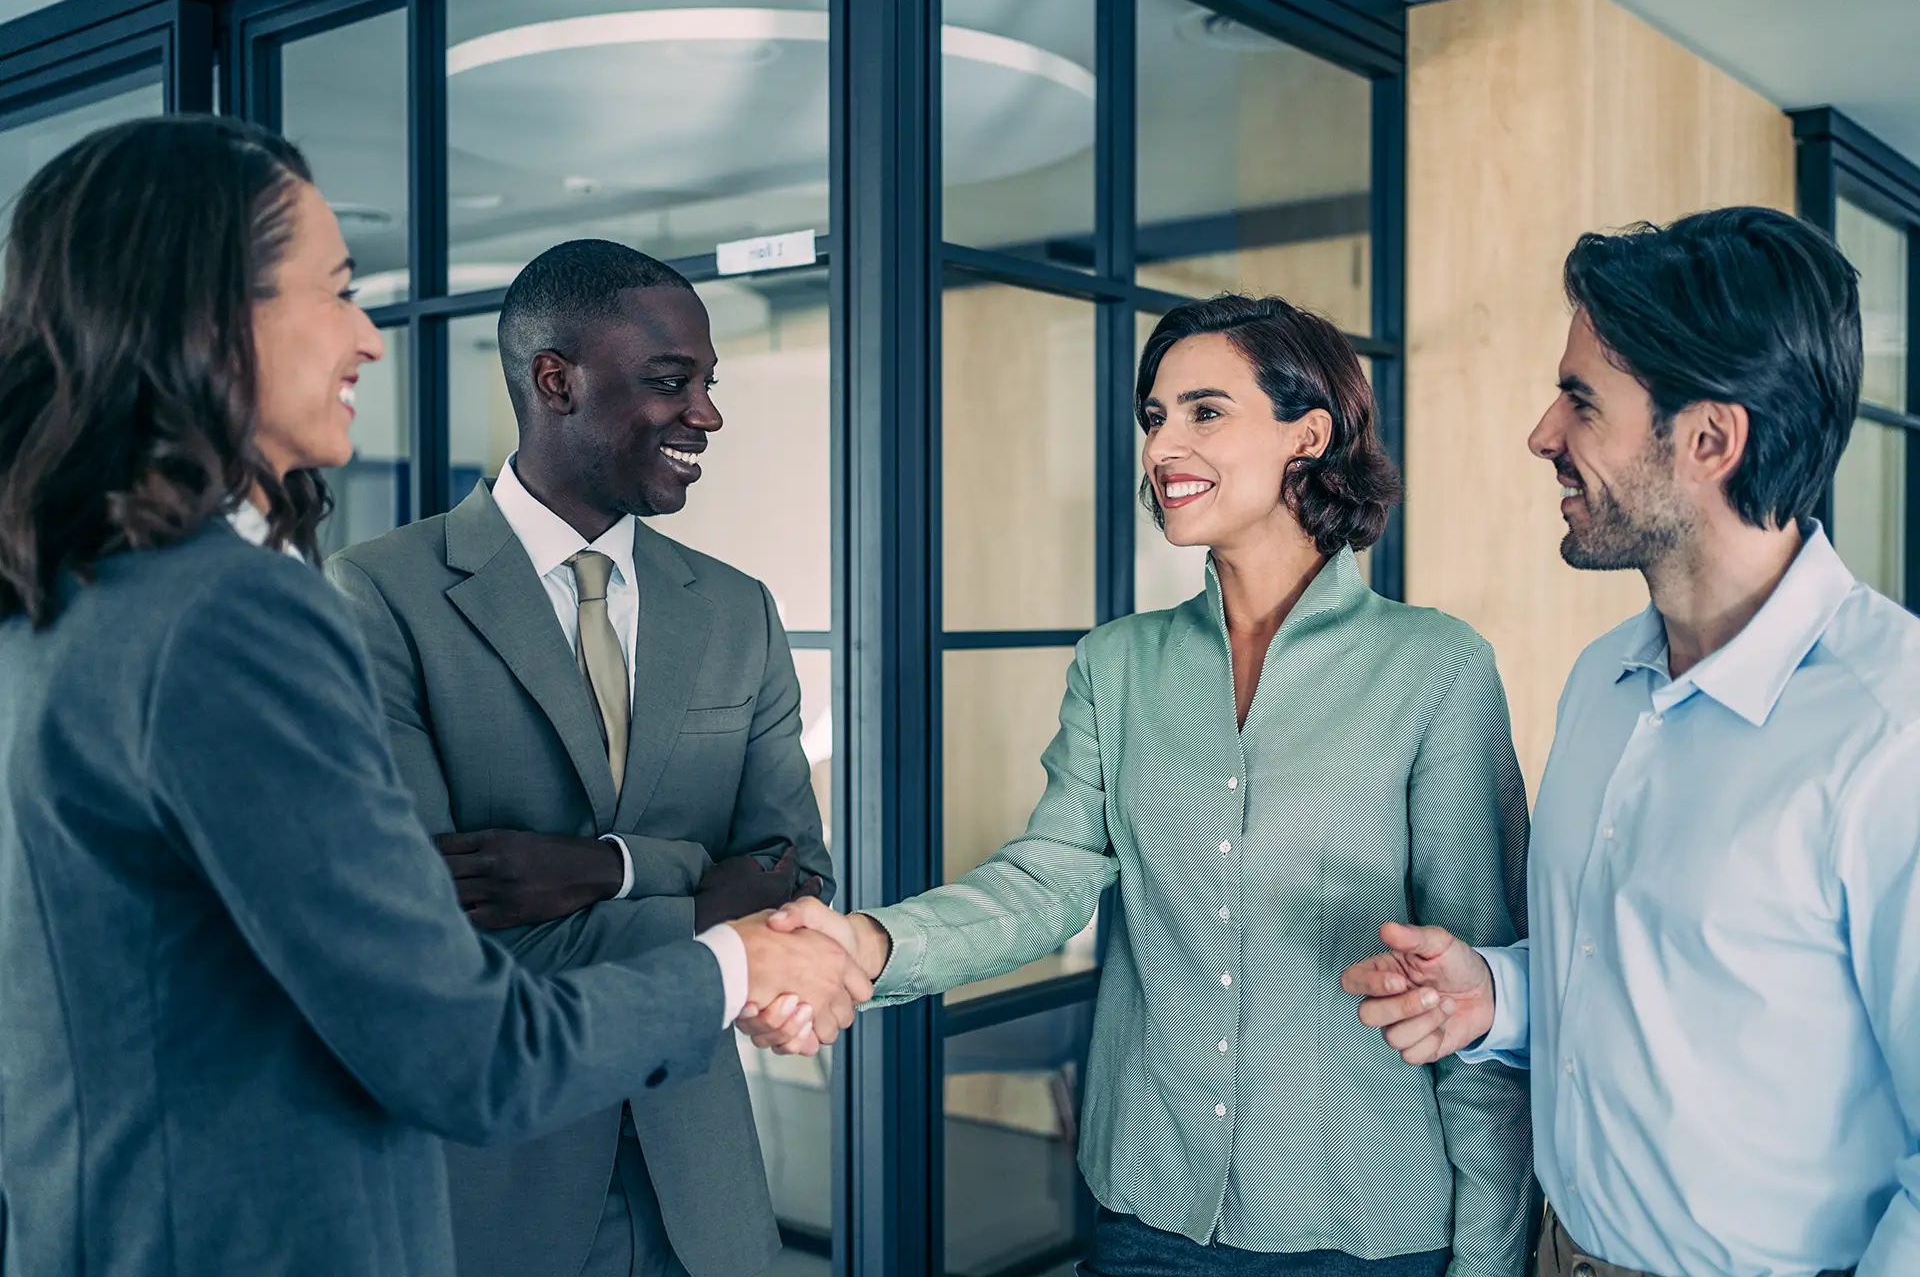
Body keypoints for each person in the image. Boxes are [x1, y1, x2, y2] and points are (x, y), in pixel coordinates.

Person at [0, 115, 862, 1277]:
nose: (369, 333)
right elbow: (460, 1032)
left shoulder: (70, 597)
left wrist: (598, 869)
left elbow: (780, 859)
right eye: (338, 290)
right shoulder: (239, 611)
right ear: (211, 316)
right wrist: (743, 955)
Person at [768, 294, 1535, 1276]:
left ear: (1311, 431)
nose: (1164, 442)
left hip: (1366, 1219)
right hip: (1150, 1212)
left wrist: (1488, 1260)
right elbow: (1045, 878)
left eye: (1205, 411)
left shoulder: (1435, 667)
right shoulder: (1116, 666)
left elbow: (1476, 984)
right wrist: (869, 942)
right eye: (1154, 416)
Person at [1342, 207, 1916, 1277]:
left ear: (1709, 440)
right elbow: (1642, 976)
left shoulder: (1896, 734)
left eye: (1581, 400)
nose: (1543, 434)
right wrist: (1495, 993)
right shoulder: (1604, 680)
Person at [325, 240, 830, 1277]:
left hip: (707, 1193)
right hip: (496, 1191)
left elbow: (797, 881)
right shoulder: (377, 595)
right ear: (555, 380)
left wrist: (599, 869)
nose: (707, 414)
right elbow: (437, 938)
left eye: (708, 382)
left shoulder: (738, 609)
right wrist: (700, 886)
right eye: (669, 380)